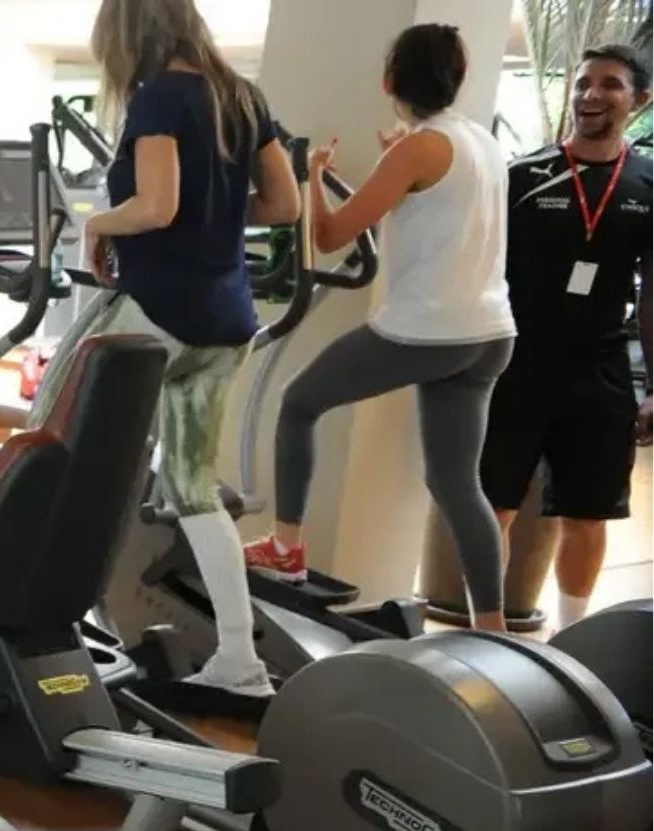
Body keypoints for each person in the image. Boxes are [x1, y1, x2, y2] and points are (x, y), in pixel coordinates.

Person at [244, 23, 516, 635]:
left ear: (390, 80)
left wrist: (312, 173)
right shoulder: (479, 140)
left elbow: (330, 235)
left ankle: (285, 549)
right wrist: (399, 156)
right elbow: (441, 201)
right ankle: (494, 630)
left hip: (428, 332)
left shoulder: (416, 150)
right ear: (457, 79)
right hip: (490, 334)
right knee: (455, 482)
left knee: (299, 401)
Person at [72, 0, 302, 698]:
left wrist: (95, 225)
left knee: (55, 451)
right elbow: (285, 205)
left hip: (156, 318)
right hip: (225, 322)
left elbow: (156, 206)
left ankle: (42, 627)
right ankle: (239, 658)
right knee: (191, 485)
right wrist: (220, 214)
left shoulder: (160, 98)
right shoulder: (242, 96)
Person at [478, 44, 652, 631]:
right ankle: (486, 635)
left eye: (610, 85)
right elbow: (481, 270)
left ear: (640, 100)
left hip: (601, 366)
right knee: (495, 506)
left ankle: (572, 639)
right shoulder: (522, 176)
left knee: (589, 513)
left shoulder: (647, 184)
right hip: (517, 360)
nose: (591, 95)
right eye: (582, 83)